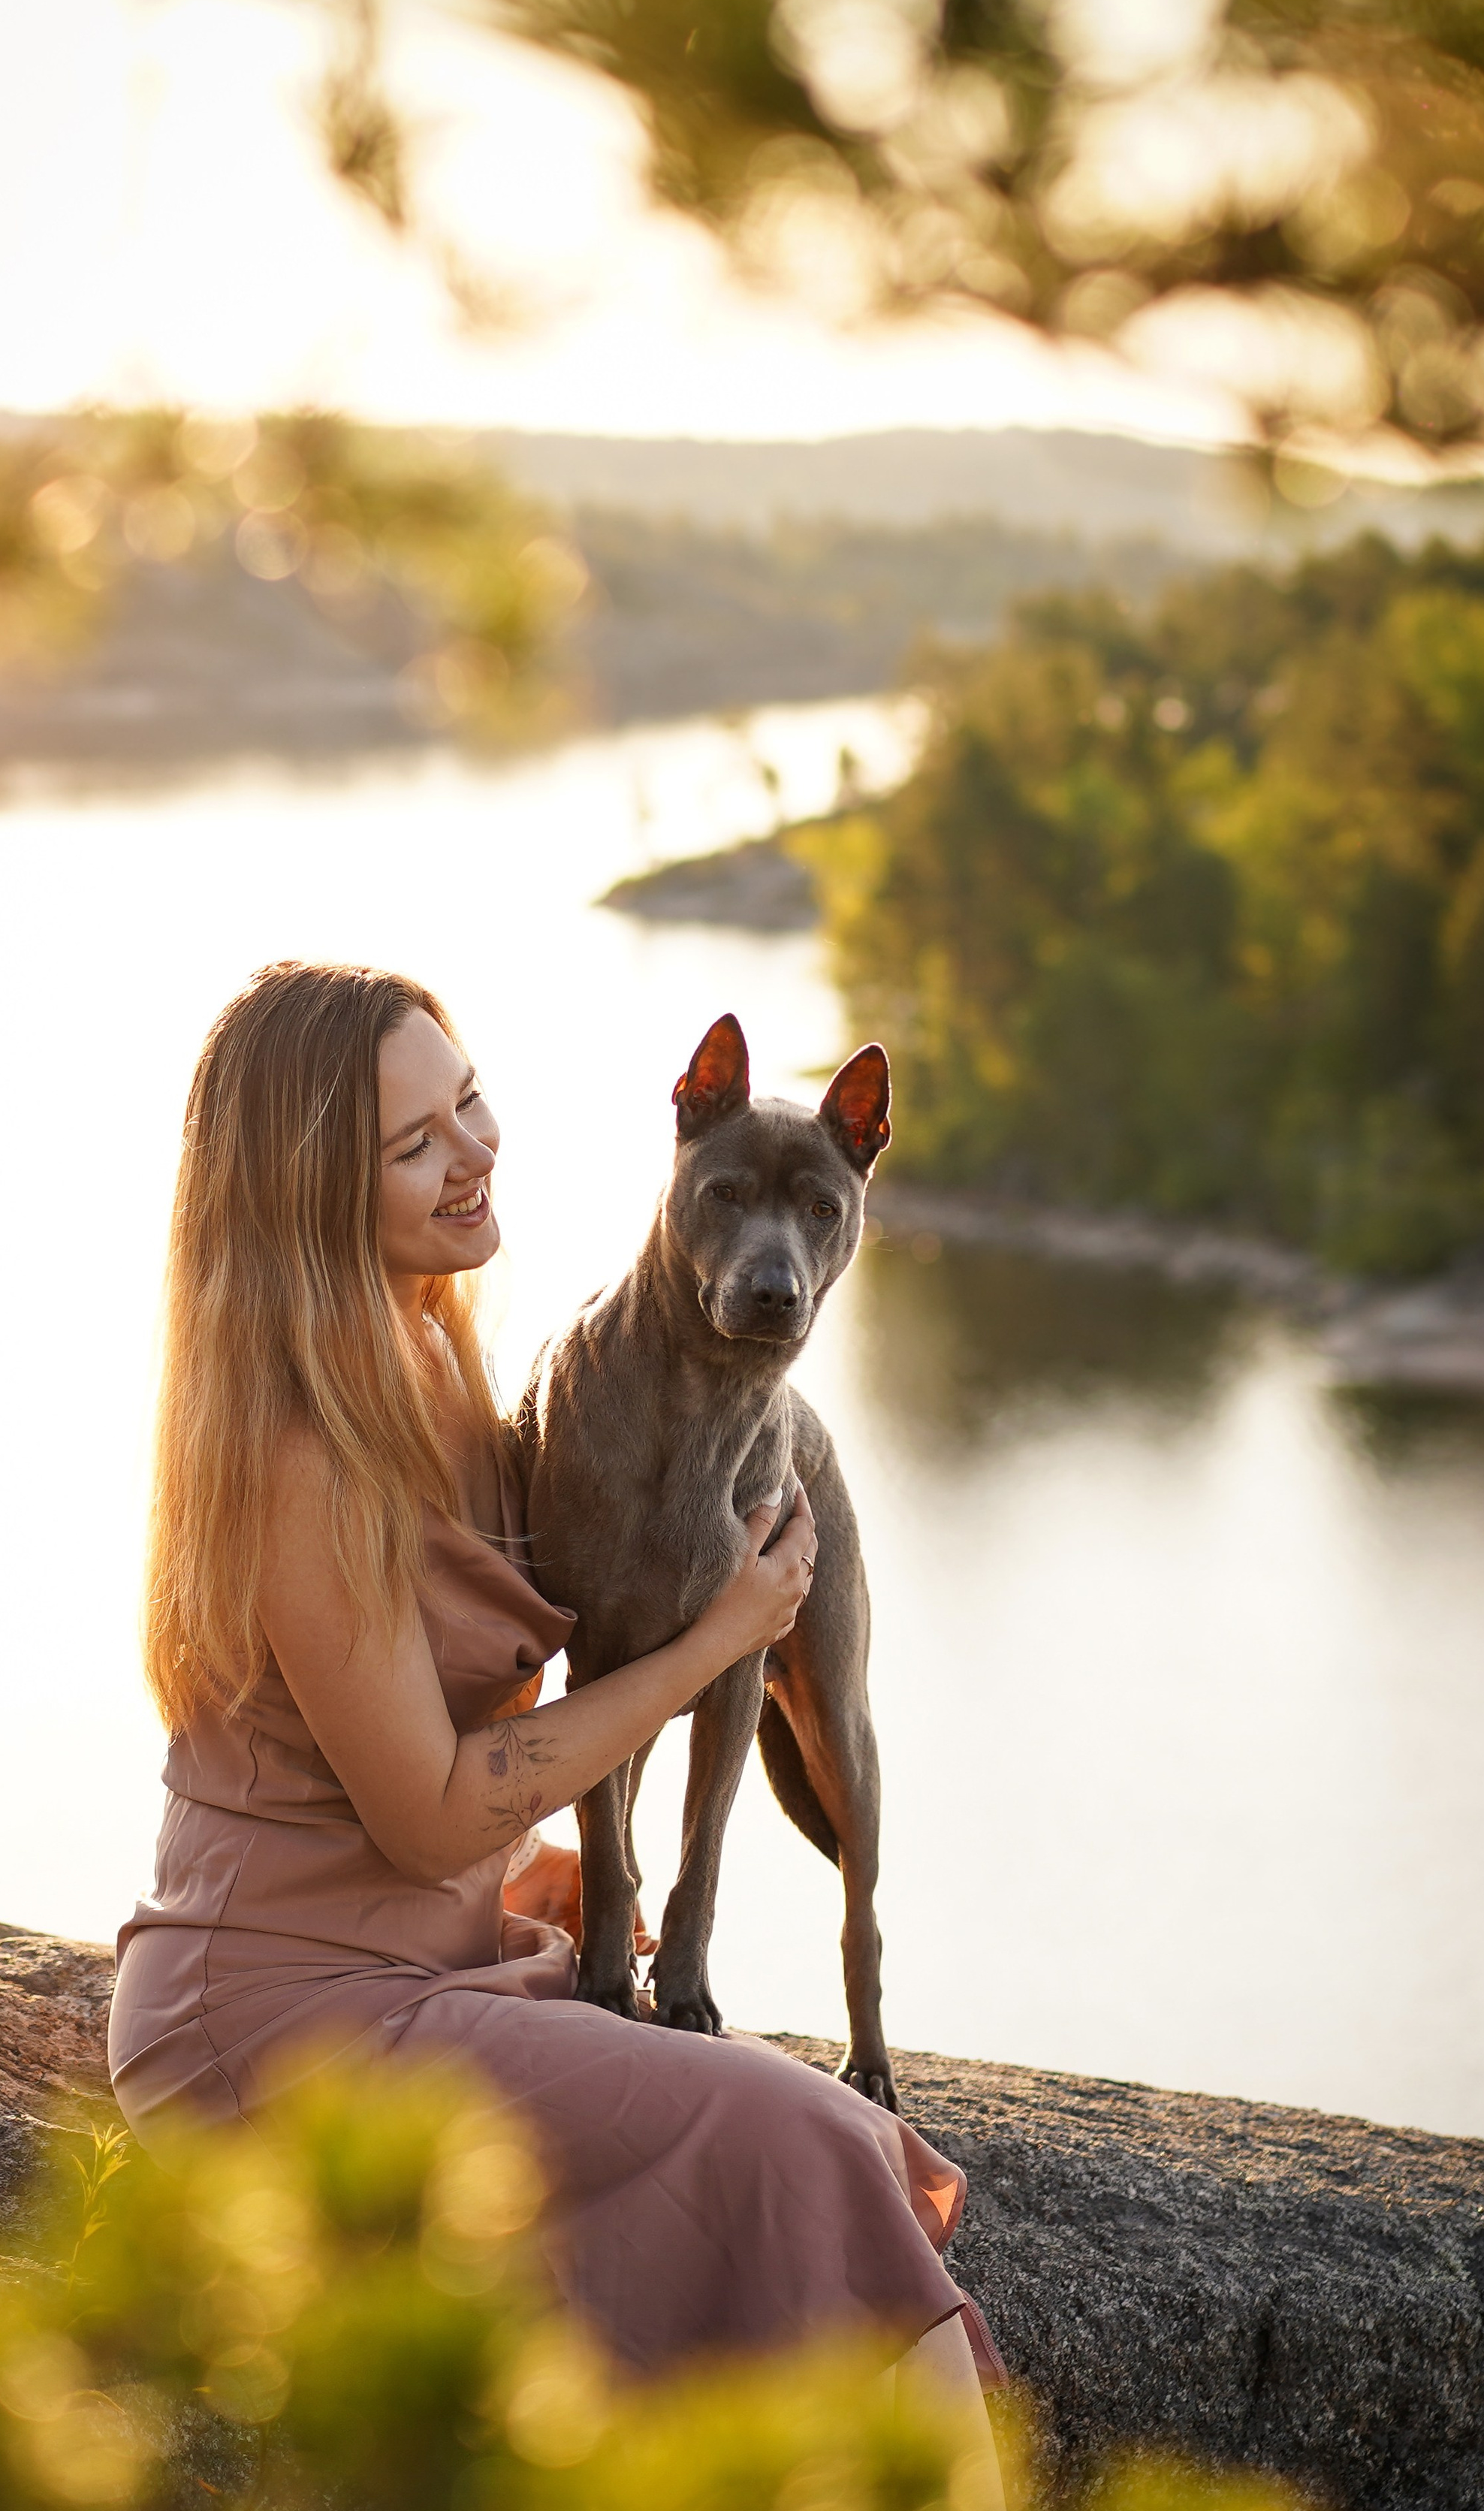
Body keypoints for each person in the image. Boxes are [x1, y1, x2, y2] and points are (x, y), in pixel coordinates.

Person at [108, 959, 1006, 2429]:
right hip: (279, 2023)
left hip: (415, 1959)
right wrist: (717, 1640)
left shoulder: (432, 1356)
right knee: (805, 2146)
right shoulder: (299, 1445)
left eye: (467, 1102)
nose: (472, 1149)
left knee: (769, 2112)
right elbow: (431, 1808)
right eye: (414, 1143)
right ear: (309, 1191)